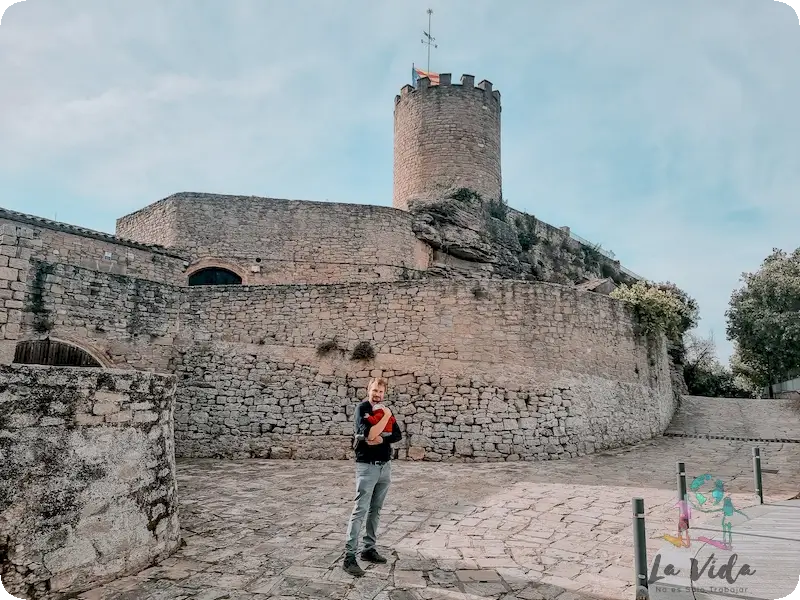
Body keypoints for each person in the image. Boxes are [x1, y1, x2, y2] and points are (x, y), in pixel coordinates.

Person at [343, 377, 402, 576]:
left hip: (385, 466)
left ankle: (368, 549)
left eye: (381, 392)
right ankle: (349, 556)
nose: (378, 395)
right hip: (367, 467)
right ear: (368, 389)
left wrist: (379, 437)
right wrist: (385, 417)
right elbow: (368, 435)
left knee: (375, 510)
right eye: (375, 390)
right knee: (360, 509)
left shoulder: (384, 410)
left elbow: (396, 435)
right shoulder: (362, 409)